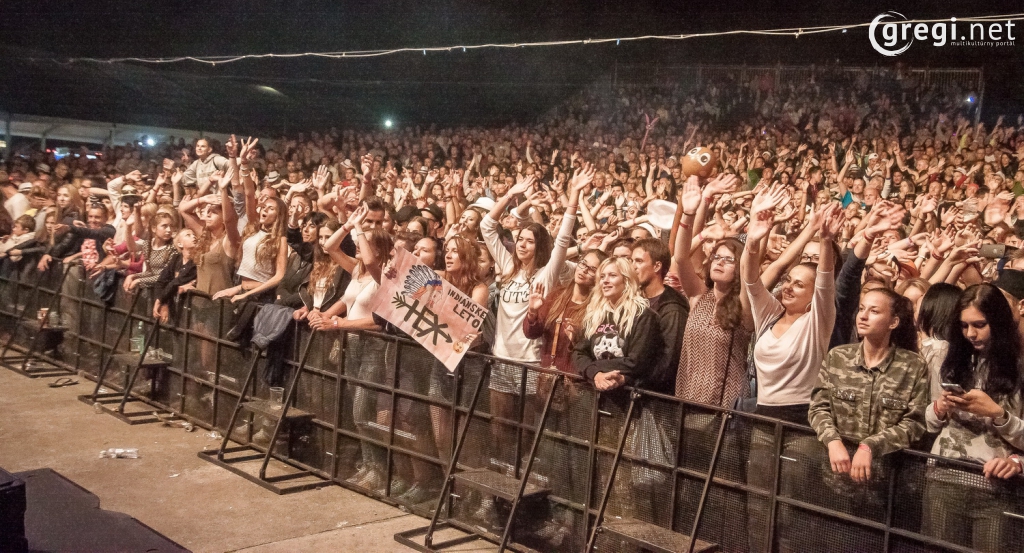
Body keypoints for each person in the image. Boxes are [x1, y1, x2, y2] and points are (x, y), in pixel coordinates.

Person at [806, 288, 928, 552]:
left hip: (888, 488)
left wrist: (870, 445)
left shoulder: (913, 366)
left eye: (874, 311)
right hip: (837, 483)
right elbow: (818, 407)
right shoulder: (838, 357)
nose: (863, 316)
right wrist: (832, 441)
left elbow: (915, 423)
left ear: (893, 322)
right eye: (861, 309)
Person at [924, 283, 1024, 552]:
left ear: (999, 322)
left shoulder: (1018, 367)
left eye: (979, 325)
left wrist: (998, 414)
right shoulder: (951, 359)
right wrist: (940, 407)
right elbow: (927, 423)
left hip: (997, 489)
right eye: (964, 325)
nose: (970, 333)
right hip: (944, 477)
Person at [673, 175, 753, 407]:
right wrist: (689, 214)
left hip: (726, 406)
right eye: (717, 257)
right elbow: (681, 257)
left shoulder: (744, 303)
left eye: (728, 260)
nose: (719, 262)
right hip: (687, 397)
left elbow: (752, 270)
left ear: (740, 268)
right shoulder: (699, 295)